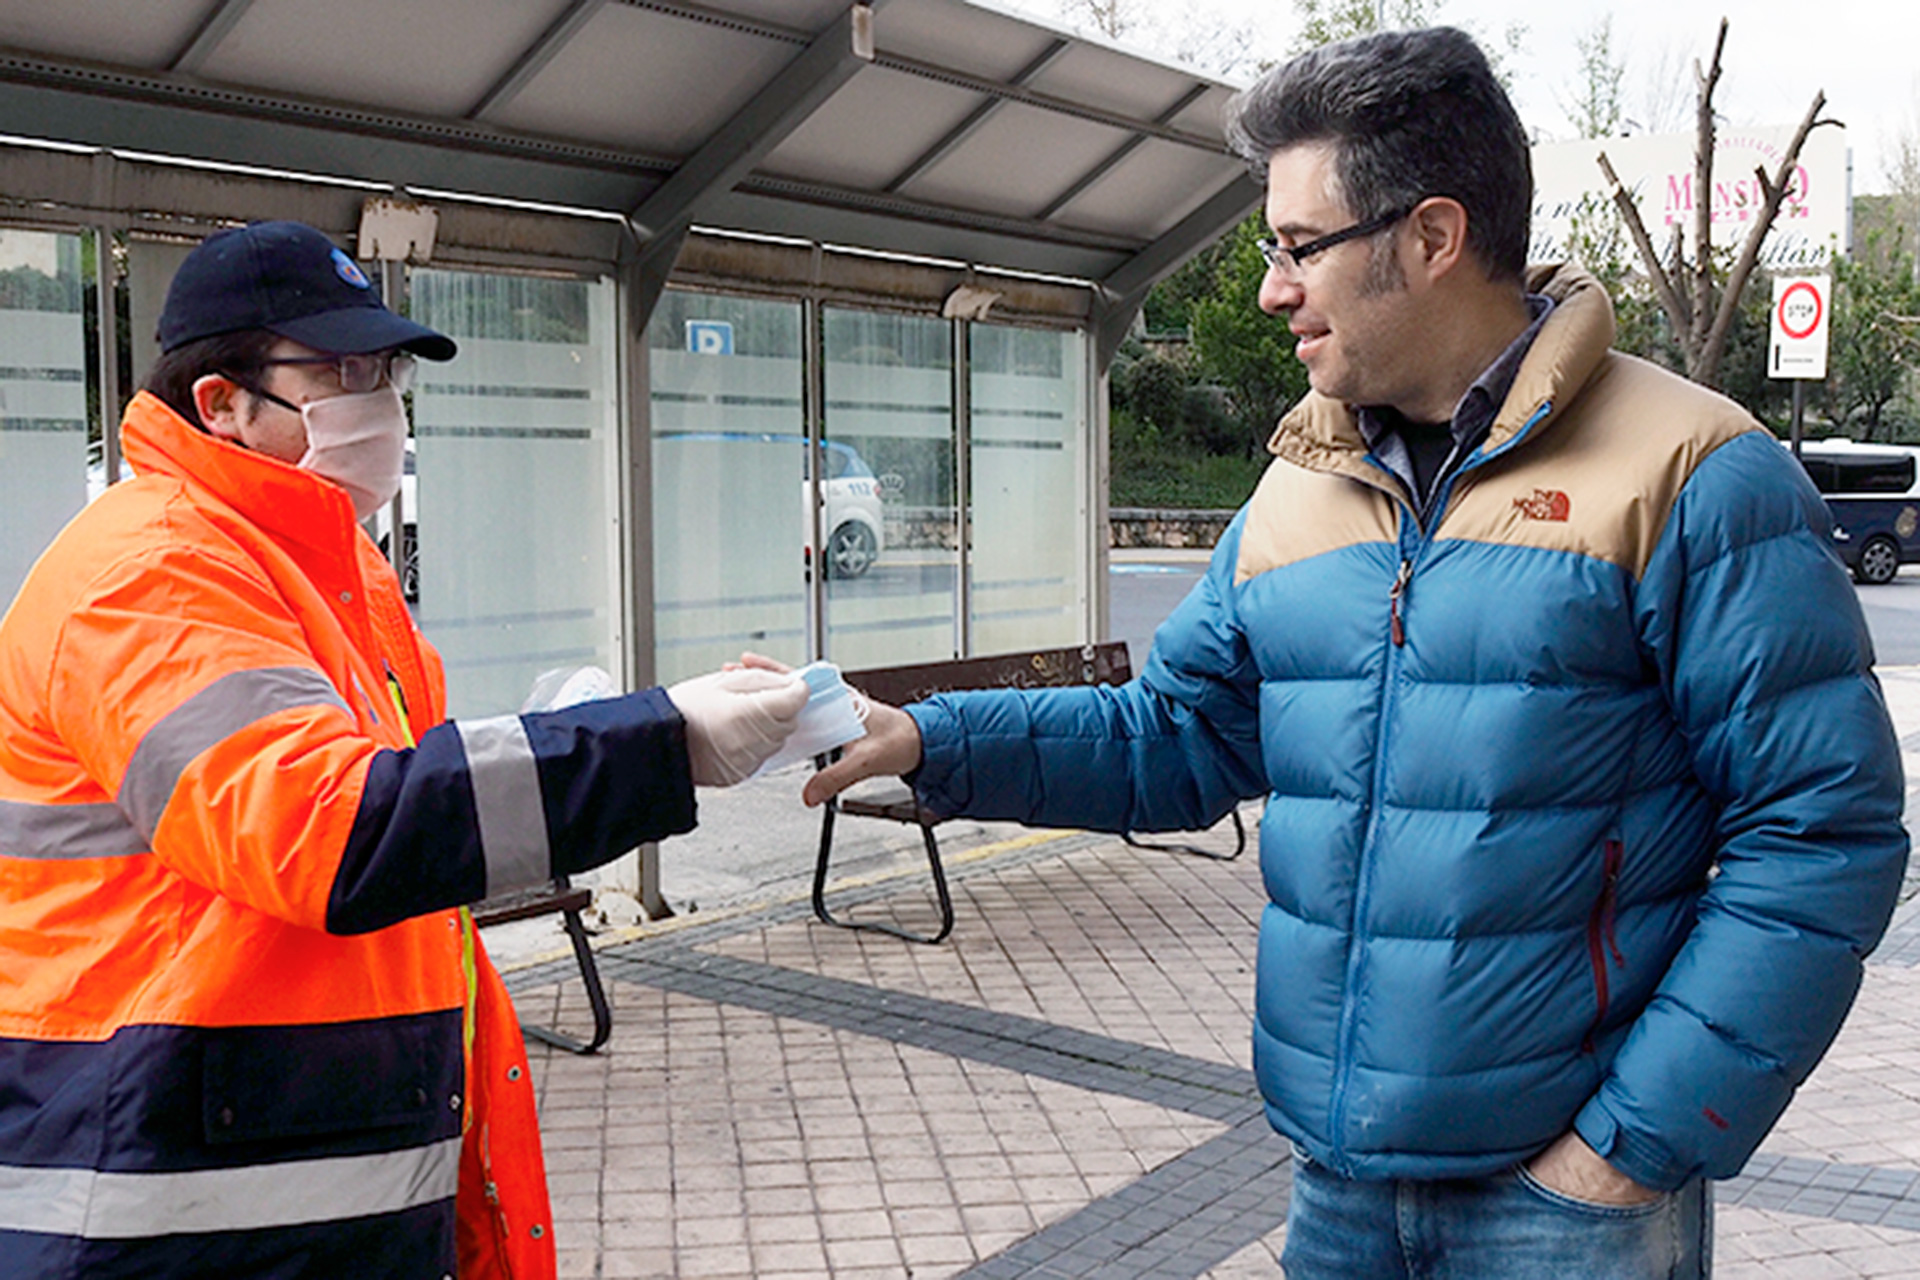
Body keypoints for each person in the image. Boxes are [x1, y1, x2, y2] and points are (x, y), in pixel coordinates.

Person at [797, 28, 1908, 1279]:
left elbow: (1822, 831)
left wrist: (1632, 1146)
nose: (1274, 286)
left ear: (1431, 237)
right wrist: (935, 735)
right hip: (1338, 1189)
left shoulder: (1692, 473)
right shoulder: (1297, 486)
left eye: (1298, 246)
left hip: (1569, 1204)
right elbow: (1178, 735)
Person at [0, 220, 808, 1279]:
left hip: (296, 1176)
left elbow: (411, 804)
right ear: (220, 403)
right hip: (164, 1209)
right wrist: (660, 740)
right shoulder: (147, 572)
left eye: (381, 370)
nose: (376, 399)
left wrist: (588, 727)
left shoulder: (330, 571)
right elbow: (331, 829)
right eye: (337, 370)